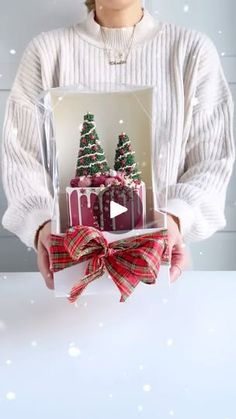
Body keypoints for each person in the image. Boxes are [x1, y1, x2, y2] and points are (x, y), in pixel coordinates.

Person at [1, 0, 235, 290]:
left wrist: (176, 217)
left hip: (161, 273)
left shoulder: (192, 52)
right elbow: (20, 155)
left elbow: (211, 160)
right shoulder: (47, 53)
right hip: (71, 272)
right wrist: (39, 225)